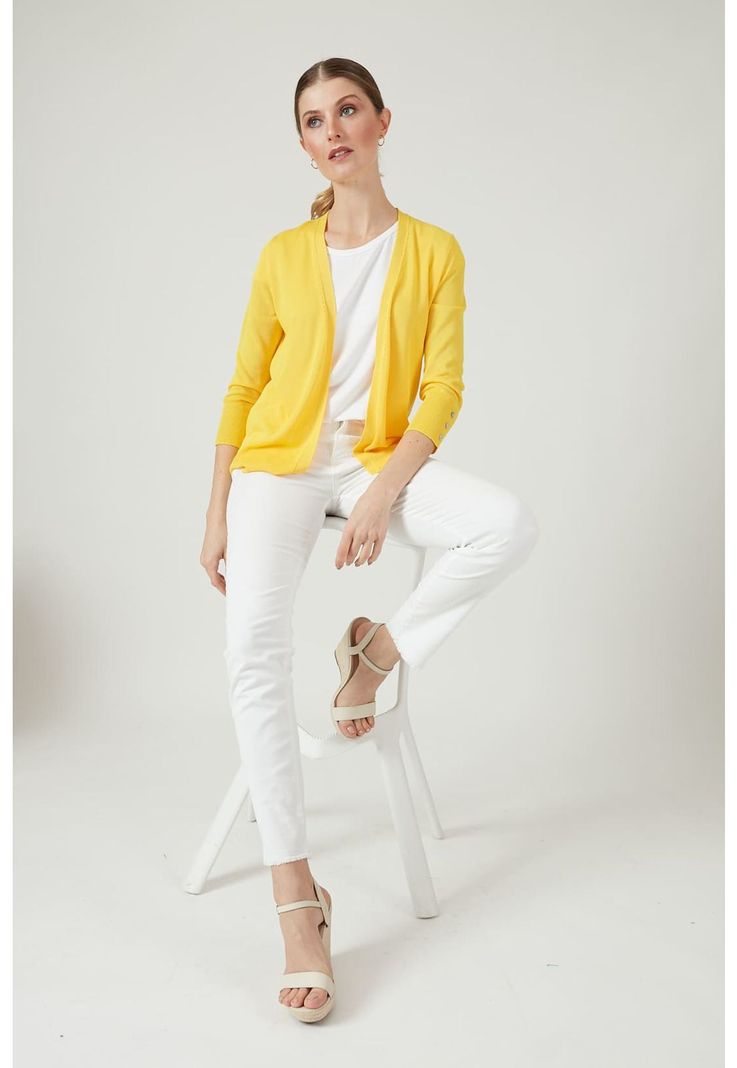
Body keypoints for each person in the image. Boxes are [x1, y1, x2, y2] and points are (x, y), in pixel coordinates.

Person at [200, 57, 539, 1023]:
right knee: (251, 651)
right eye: (313, 120)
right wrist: (216, 508)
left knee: (503, 525)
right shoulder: (281, 255)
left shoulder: (433, 250)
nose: (333, 130)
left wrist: (384, 493)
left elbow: (444, 388)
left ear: (382, 122)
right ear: (304, 144)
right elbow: (243, 384)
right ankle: (296, 897)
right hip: (278, 466)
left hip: (374, 462)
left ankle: (375, 652)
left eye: (347, 110)